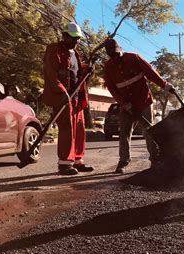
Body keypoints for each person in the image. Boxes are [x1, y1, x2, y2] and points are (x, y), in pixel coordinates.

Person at [103, 39, 175, 174]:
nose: (115, 57)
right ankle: (124, 160)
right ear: (108, 54)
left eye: (116, 53)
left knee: (149, 131)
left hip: (143, 101)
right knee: (124, 132)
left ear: (120, 49)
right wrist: (124, 104)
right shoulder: (108, 67)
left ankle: (155, 158)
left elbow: (151, 73)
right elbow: (112, 88)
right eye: (112, 55)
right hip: (126, 105)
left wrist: (165, 85)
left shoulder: (133, 58)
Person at [42, 22, 94, 175]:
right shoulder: (54, 49)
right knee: (67, 128)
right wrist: (62, 92)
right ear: (64, 36)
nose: (76, 41)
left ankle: (77, 160)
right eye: (72, 38)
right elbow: (51, 73)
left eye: (77, 38)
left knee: (79, 129)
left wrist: (87, 69)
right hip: (63, 97)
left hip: (76, 96)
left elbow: (74, 71)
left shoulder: (74, 53)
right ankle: (64, 164)